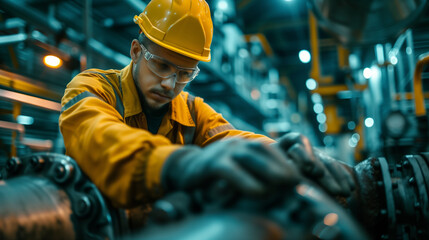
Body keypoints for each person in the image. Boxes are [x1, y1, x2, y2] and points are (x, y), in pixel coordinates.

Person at [59, 0, 354, 208]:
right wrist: (178, 163)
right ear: (136, 51)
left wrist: (285, 156)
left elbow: (231, 138)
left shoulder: (190, 110)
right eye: (161, 65)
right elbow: (97, 136)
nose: (169, 83)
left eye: (185, 74)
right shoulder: (92, 87)